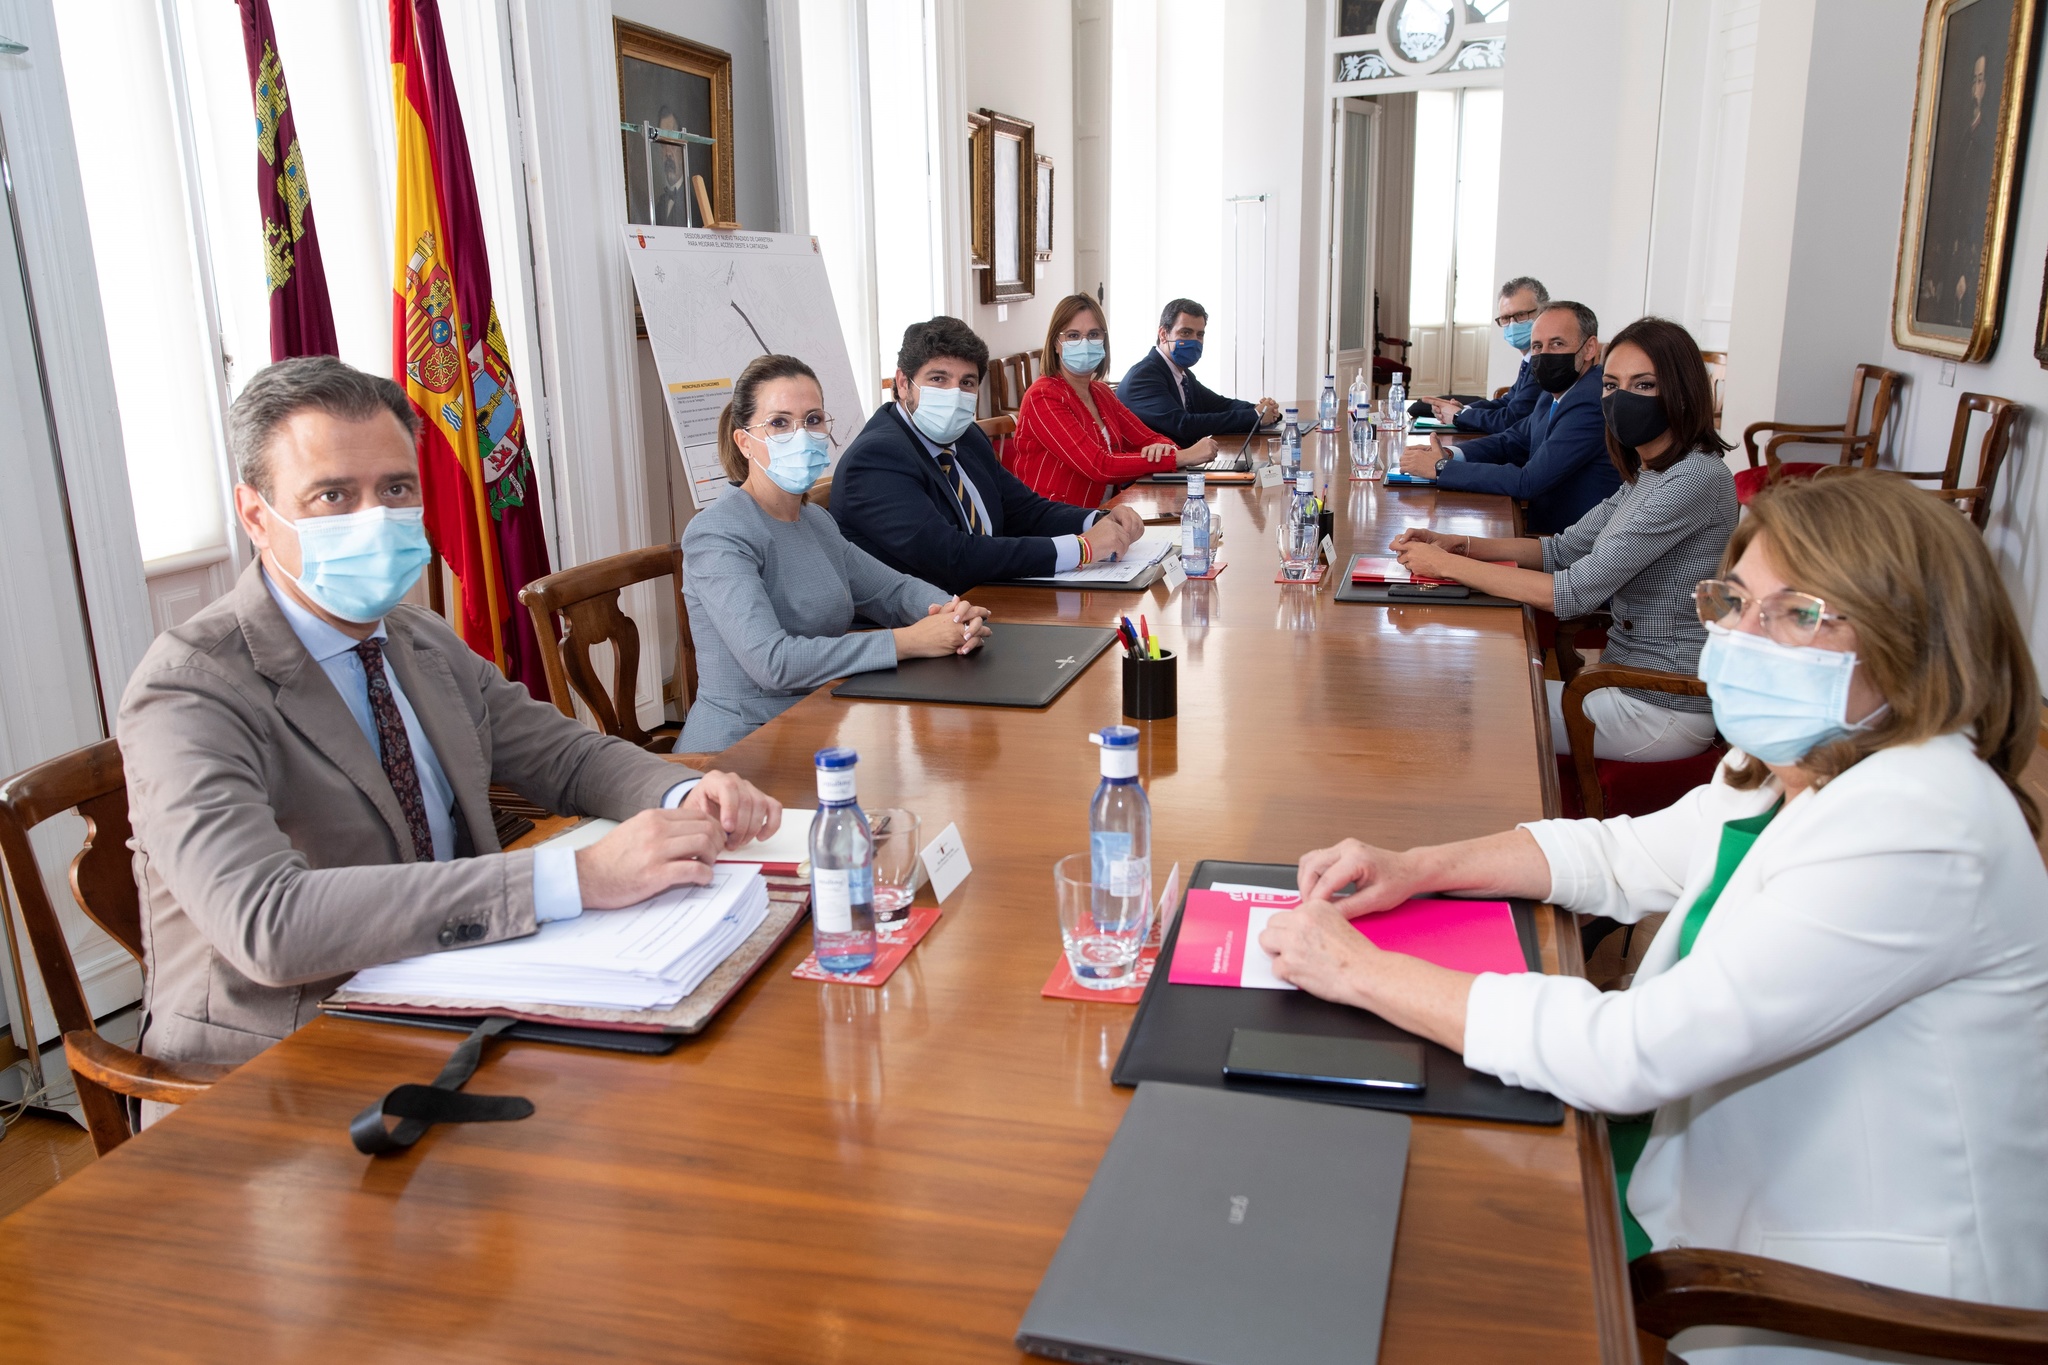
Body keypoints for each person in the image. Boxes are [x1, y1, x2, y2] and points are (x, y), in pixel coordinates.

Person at [1263, 472, 2048, 1360]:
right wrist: (1418, 866)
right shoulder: (1798, 759)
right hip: (1711, 1190)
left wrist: (1359, 970)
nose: (1743, 639)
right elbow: (1625, 854)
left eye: (1796, 616)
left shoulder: (1920, 824)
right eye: (1738, 602)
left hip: (1844, 1307)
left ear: (1912, 638)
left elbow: (1631, 1051)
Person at [119, 356, 783, 1075]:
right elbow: (268, 922)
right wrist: (577, 877)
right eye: (333, 495)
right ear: (257, 514)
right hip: (276, 1063)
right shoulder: (190, 688)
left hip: (453, 993)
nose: (374, 519)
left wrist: (683, 794)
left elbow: (565, 756)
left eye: (396, 488)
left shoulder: (416, 637)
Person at [1393, 317, 1737, 762]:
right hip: (1620, 682)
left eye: (1644, 385)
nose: (1621, 398)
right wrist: (1459, 544)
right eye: (1611, 385)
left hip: (1658, 706)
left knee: (1455, 706)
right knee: (1454, 688)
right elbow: (1561, 550)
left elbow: (1570, 594)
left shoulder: (1692, 479)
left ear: (1683, 391)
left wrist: (1446, 566)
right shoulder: (1653, 472)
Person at [678, 354, 992, 752]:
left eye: (812, 420)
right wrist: (910, 641)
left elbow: (891, 592)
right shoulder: (717, 533)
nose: (801, 434)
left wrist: (951, 612)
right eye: (779, 423)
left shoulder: (816, 521)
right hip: (737, 749)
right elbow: (774, 663)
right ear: (744, 442)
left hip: (818, 724)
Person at [832, 315, 1145, 594]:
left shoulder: (967, 436)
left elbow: (1024, 511)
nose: (954, 394)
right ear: (903, 383)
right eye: (938, 379)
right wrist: (1082, 548)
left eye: (966, 382)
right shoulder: (876, 459)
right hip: (922, 629)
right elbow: (952, 556)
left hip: (990, 599)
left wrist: (1098, 519)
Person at [1402, 300, 1619, 533]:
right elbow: (1511, 440)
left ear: (1589, 348)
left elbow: (1528, 481)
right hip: (1543, 529)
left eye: (1557, 344)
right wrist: (1449, 454)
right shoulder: (1554, 391)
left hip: (1569, 545)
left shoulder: (1591, 400)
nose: (1544, 355)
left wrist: (1441, 468)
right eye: (1537, 346)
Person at [1007, 294, 1218, 506]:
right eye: (1072, 336)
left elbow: (1151, 439)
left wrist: (1163, 448)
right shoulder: (1043, 396)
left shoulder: (1101, 393)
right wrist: (1182, 457)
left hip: (1102, 516)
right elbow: (1100, 466)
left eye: (1094, 334)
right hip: (1052, 527)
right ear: (1055, 343)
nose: (1085, 343)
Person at [1115, 297, 1280, 446]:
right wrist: (1254, 416)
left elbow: (1220, 405)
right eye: (1185, 332)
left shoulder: (1181, 373)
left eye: (1199, 335)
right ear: (1164, 334)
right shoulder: (1144, 376)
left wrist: (1264, 410)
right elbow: (1184, 425)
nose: (1194, 340)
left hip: (1178, 467)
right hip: (1148, 475)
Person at [1425, 276, 1548, 433]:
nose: (1512, 324)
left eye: (1521, 315)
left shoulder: (1544, 362)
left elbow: (1511, 419)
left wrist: (1458, 416)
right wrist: (1463, 409)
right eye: (1505, 318)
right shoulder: (1529, 359)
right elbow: (1508, 402)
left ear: (1543, 312)